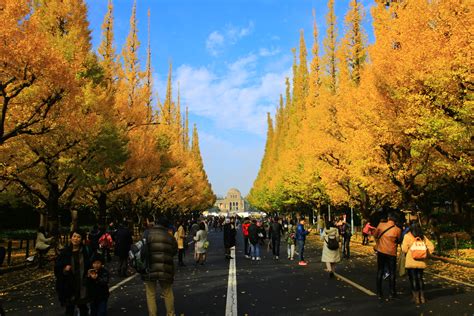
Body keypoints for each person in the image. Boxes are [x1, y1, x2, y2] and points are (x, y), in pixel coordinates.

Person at [142, 215, 178, 316]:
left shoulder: (147, 234)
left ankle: (152, 314)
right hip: (165, 267)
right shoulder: (169, 236)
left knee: (150, 293)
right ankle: (170, 313)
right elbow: (174, 251)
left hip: (150, 267)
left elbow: (143, 249)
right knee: (167, 292)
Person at [54, 230, 92, 316]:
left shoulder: (85, 251)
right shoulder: (65, 252)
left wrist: (90, 272)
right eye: (74, 236)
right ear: (71, 238)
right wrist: (64, 270)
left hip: (82, 284)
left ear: (82, 239)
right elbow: (57, 268)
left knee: (83, 307)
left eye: (78, 237)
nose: (76, 239)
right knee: (69, 308)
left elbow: (90, 264)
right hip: (69, 285)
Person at [401, 223, 434, 304]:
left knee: (413, 279)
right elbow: (432, 247)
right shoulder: (423, 237)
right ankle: (422, 297)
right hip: (421, 261)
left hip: (411, 261)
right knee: (420, 278)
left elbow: (404, 249)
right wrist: (425, 253)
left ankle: (416, 298)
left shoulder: (407, 236)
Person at [374, 213, 402, 300]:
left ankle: (379, 292)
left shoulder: (381, 225)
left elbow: (375, 235)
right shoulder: (397, 229)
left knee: (380, 271)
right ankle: (392, 292)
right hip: (391, 252)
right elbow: (399, 240)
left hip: (381, 251)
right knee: (392, 272)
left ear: (389, 218)